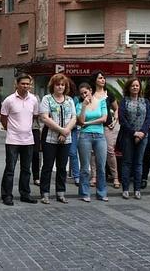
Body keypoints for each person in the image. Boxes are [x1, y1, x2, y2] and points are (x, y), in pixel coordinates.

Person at [0, 73, 39, 206]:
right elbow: (3, 118)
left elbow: (34, 116)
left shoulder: (33, 99)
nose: (25, 86)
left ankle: (25, 194)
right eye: (23, 83)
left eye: (27, 84)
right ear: (16, 84)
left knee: (26, 169)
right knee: (10, 169)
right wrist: (10, 129)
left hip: (28, 140)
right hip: (12, 140)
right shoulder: (9, 100)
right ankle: (7, 195)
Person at [39, 74, 76, 204]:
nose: (60, 87)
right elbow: (44, 118)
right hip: (50, 138)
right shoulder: (47, 99)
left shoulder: (70, 100)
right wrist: (61, 130)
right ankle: (45, 193)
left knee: (62, 167)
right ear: (53, 86)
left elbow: (74, 118)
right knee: (47, 166)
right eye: (57, 84)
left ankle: (61, 193)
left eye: (62, 85)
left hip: (66, 138)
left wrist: (66, 131)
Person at [118, 78, 150, 200]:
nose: (135, 88)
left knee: (139, 163)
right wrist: (134, 133)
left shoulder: (145, 101)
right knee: (126, 163)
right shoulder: (124, 101)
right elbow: (122, 119)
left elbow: (148, 119)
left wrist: (142, 132)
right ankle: (125, 189)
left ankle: (137, 189)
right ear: (128, 87)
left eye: (137, 86)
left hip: (143, 136)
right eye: (133, 86)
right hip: (128, 136)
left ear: (140, 88)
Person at [76, 82, 108, 202]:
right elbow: (81, 120)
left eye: (86, 92)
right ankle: (84, 193)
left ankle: (101, 193)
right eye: (82, 94)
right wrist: (84, 106)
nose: (84, 95)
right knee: (84, 167)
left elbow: (104, 119)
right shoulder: (79, 105)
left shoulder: (101, 101)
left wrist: (88, 123)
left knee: (101, 166)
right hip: (85, 136)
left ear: (90, 90)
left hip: (99, 135)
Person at [90, 70, 120, 189]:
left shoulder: (109, 94)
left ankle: (115, 177)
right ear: (95, 80)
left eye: (103, 78)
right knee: (93, 153)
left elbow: (116, 109)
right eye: (100, 78)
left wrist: (115, 120)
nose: (103, 80)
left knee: (110, 152)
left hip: (106, 126)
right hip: (93, 126)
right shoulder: (90, 94)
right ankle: (94, 176)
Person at [67, 78, 80, 186]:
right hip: (57, 129)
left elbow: (75, 116)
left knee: (72, 153)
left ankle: (77, 176)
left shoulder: (74, 99)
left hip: (72, 130)